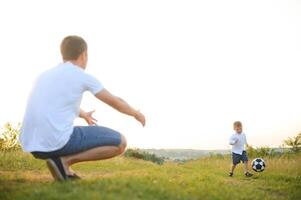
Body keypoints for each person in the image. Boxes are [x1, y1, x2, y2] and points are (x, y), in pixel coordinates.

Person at [19, 35, 146, 181]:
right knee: (120, 142)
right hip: (56, 142)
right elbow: (115, 101)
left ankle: (61, 165)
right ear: (84, 54)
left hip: (33, 145)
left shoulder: (43, 76)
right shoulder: (81, 76)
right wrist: (136, 113)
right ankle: (64, 162)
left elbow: (53, 104)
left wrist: (83, 114)